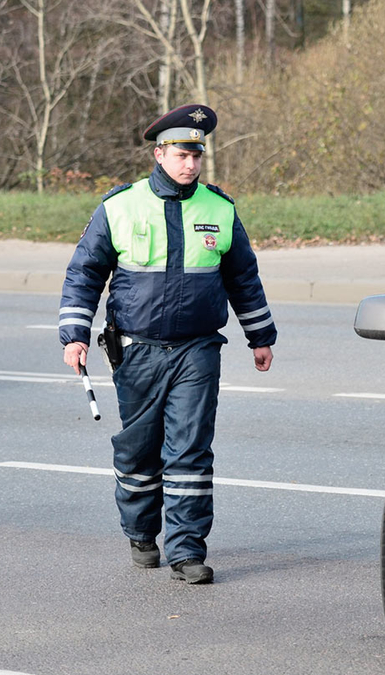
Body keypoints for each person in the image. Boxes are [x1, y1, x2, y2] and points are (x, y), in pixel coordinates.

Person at [58, 104, 276, 585]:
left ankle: (187, 552)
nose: (191, 164)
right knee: (139, 450)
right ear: (159, 154)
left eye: (198, 155)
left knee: (191, 452)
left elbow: (243, 278)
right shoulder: (120, 206)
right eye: (182, 154)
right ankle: (140, 532)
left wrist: (260, 337)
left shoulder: (220, 209)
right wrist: (74, 335)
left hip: (197, 350)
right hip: (136, 351)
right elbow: (84, 274)